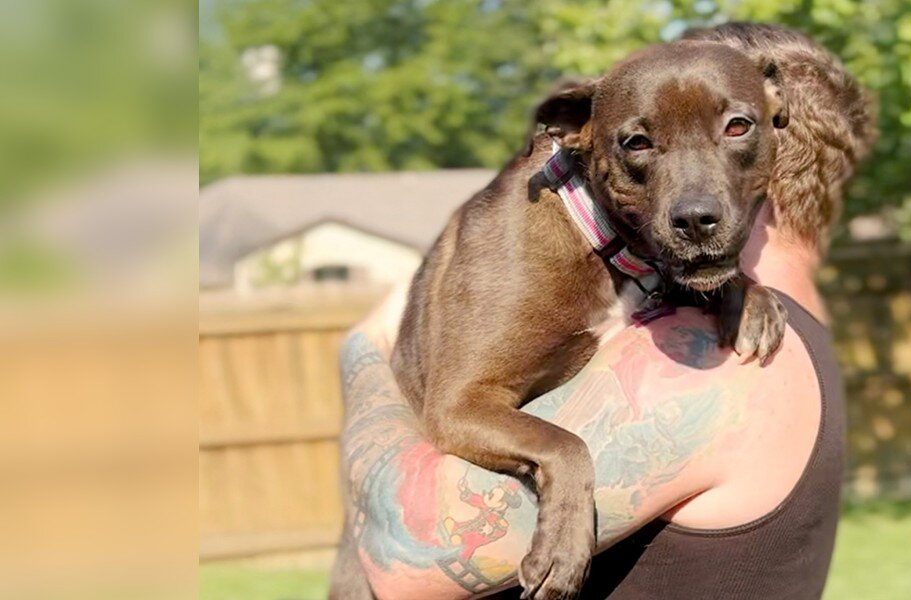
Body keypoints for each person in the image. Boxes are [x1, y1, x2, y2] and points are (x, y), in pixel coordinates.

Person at [330, 23, 875, 600]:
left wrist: (365, 343)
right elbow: (460, 407)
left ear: (776, 120)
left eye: (733, 129)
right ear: (573, 132)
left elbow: (408, 566)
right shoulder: (526, 247)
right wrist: (561, 461)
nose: (694, 201)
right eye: (640, 144)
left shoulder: (728, 375)